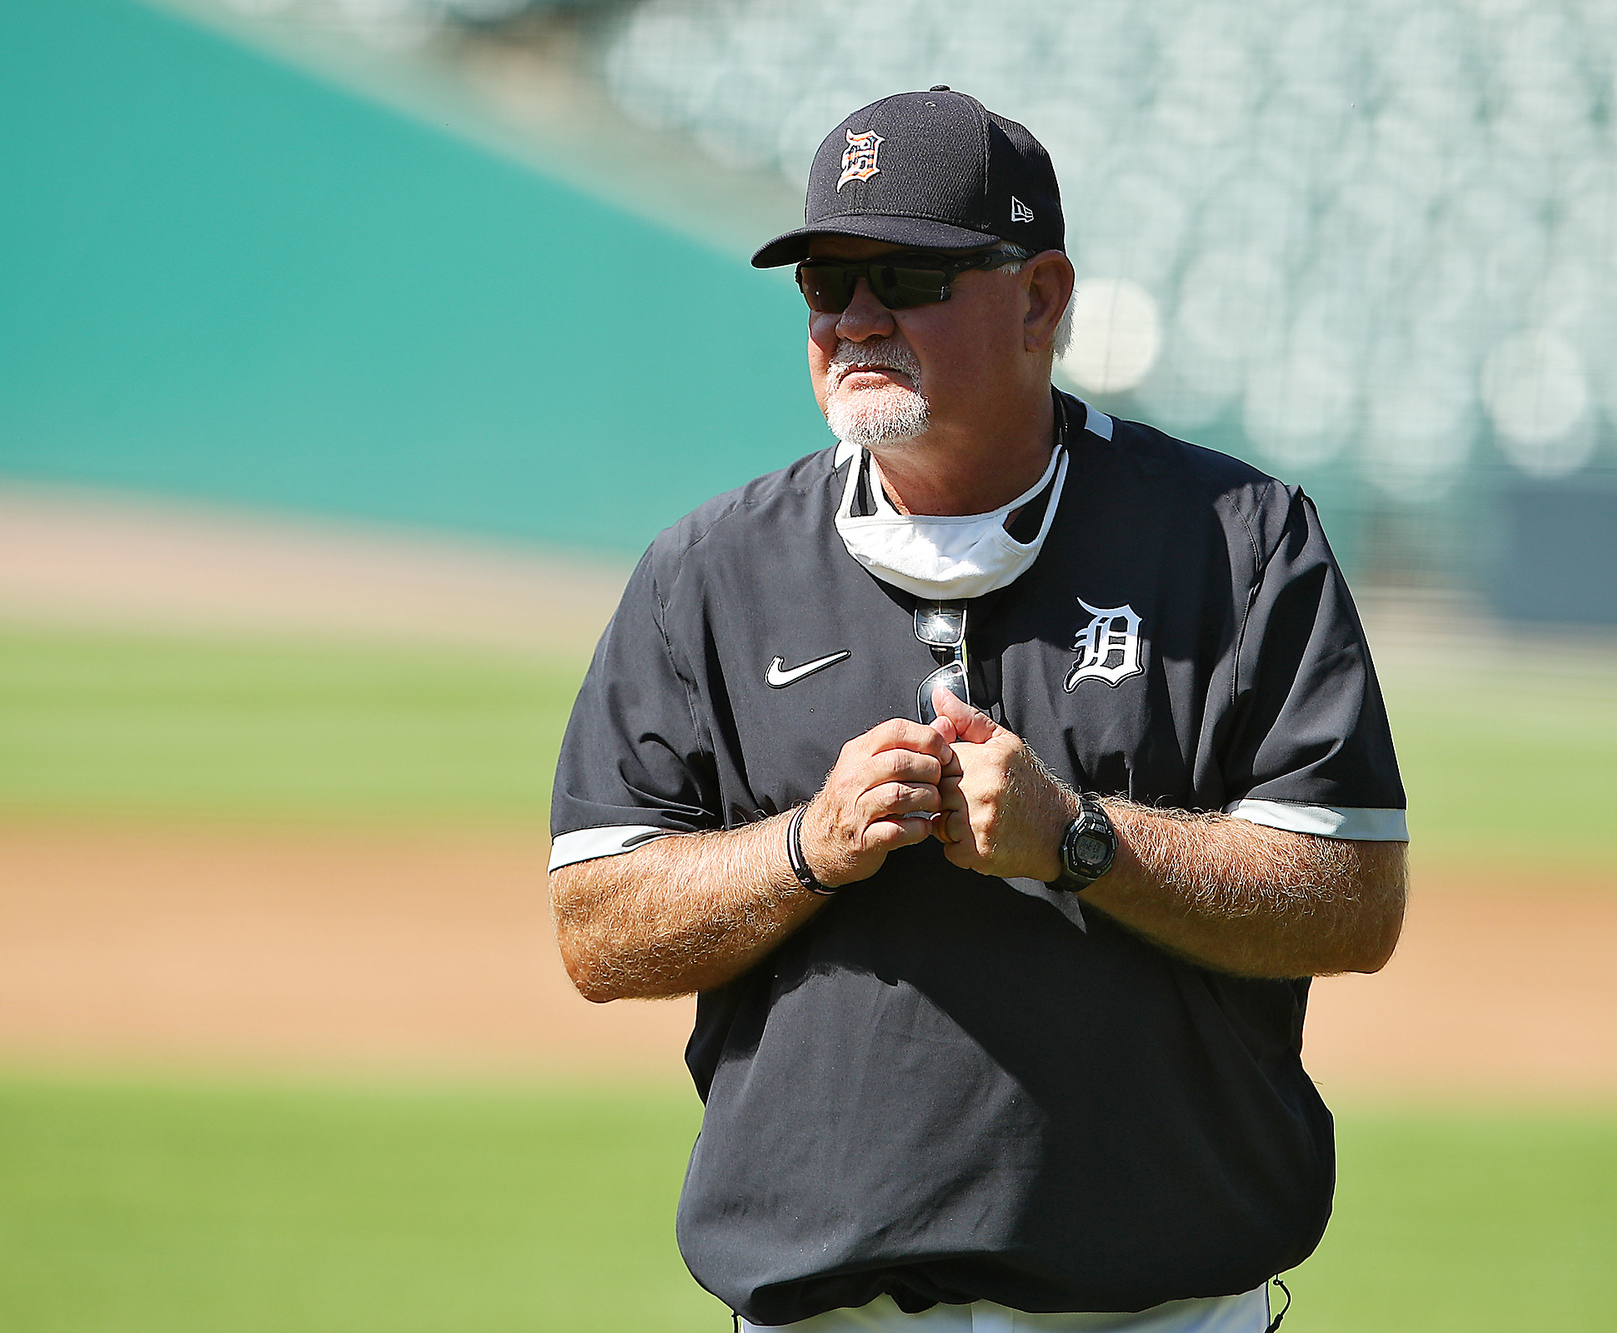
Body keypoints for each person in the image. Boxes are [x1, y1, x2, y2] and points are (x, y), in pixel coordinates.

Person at [548, 87, 1409, 1332]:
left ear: (1041, 298)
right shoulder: (707, 570)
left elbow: (1350, 899)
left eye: (904, 275)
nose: (853, 319)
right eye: (822, 284)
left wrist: (1077, 841)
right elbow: (594, 930)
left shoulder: (1235, 543)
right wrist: (807, 848)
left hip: (1156, 1312)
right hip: (823, 1310)